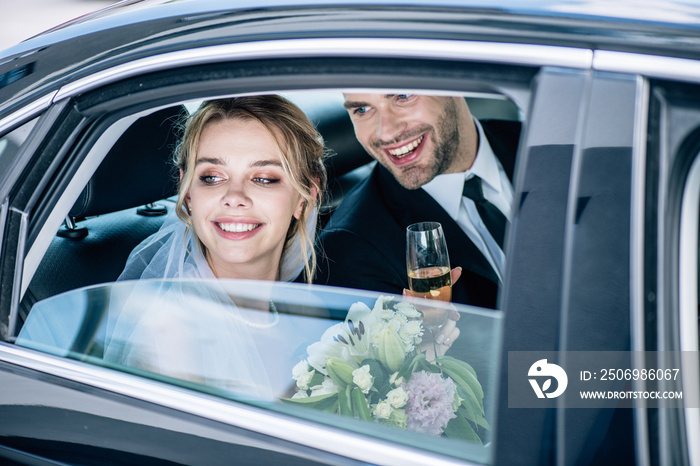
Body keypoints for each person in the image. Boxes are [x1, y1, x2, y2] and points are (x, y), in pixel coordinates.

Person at [105, 95, 328, 398]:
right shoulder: (172, 337)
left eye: (263, 178)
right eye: (211, 177)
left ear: (304, 198)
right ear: (187, 194)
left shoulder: (305, 310)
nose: (234, 196)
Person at [317, 93, 520, 310]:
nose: (386, 132)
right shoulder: (349, 251)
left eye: (403, 97)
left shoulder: (547, 146)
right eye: (362, 110)